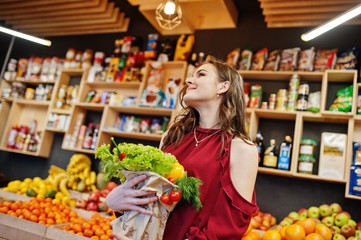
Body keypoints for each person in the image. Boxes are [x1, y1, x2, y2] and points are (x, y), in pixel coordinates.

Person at [106, 56, 259, 240]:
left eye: (201, 74)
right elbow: (151, 198)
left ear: (223, 87)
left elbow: (231, 227)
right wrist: (116, 202)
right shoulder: (172, 136)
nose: (188, 80)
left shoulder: (242, 149)